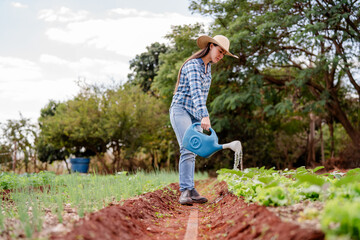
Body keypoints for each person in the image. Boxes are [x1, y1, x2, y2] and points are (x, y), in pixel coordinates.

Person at [169, 35, 238, 205]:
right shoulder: (193, 65)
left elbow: (203, 96)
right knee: (187, 147)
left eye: (223, 54)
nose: (220, 56)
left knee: (193, 150)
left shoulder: (208, 71)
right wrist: (205, 115)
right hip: (180, 110)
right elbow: (196, 92)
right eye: (219, 51)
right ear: (210, 46)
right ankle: (185, 191)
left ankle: (190, 189)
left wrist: (200, 116)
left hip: (194, 115)